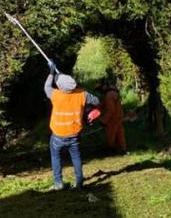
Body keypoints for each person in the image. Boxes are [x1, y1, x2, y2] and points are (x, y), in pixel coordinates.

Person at [45, 60, 100, 190]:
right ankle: (79, 183)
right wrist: (81, 93)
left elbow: (46, 86)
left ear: (60, 87)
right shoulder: (82, 94)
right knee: (76, 158)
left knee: (55, 157)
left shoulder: (56, 95)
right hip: (74, 134)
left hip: (58, 135)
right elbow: (96, 101)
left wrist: (51, 73)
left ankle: (58, 183)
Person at [98, 79, 126, 154]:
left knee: (111, 135)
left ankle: (111, 150)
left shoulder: (109, 95)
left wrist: (104, 120)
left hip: (113, 118)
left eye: (100, 88)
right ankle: (122, 149)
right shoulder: (113, 93)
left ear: (104, 86)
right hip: (119, 116)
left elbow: (111, 110)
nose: (100, 91)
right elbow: (104, 105)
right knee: (120, 133)